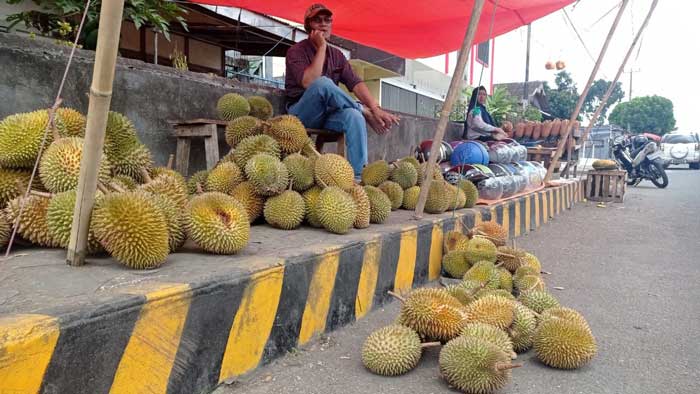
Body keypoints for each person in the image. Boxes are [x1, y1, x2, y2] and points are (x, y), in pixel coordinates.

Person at [285, 3, 400, 177]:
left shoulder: (337, 56)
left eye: (327, 20)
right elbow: (310, 82)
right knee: (322, 83)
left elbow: (356, 83)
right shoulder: (296, 51)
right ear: (309, 26)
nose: (323, 24)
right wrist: (322, 47)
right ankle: (362, 109)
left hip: (327, 116)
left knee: (354, 117)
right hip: (300, 115)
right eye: (317, 20)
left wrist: (375, 109)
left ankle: (359, 178)